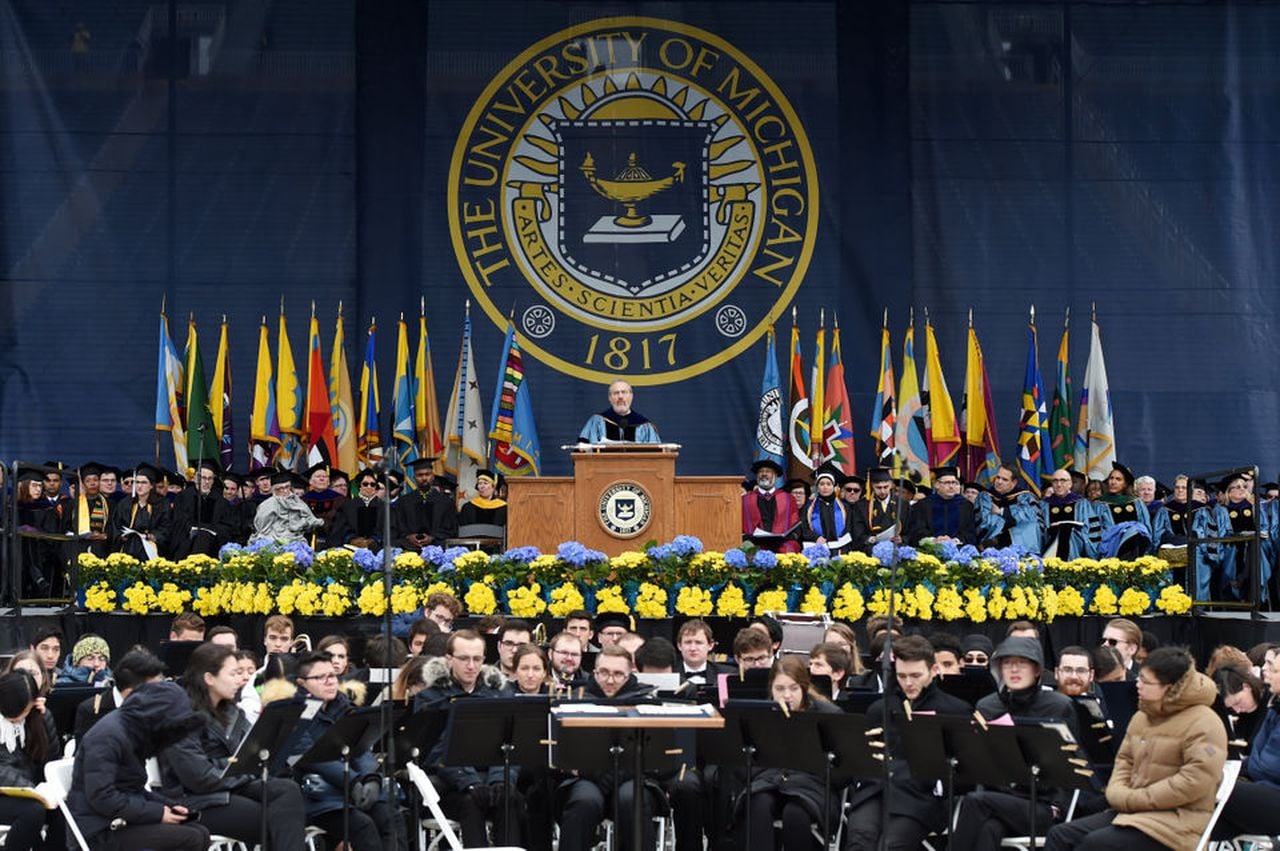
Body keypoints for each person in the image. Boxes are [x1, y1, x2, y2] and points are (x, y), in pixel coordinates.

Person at [1044, 647, 1226, 851]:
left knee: (1096, 844)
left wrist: (1136, 799)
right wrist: (1118, 794)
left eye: (1146, 682)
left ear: (1170, 687)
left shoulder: (1205, 722)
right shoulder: (1142, 716)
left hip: (1175, 824)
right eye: (1140, 678)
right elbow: (1124, 761)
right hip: (1131, 813)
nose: (1137, 684)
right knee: (1060, 835)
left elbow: (1194, 781)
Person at [159, 643, 308, 849]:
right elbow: (199, 778)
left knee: (287, 791)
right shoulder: (180, 719)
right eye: (233, 674)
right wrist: (241, 768)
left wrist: (242, 766)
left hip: (230, 786)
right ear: (209, 678)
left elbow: (251, 753)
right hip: (196, 799)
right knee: (280, 821)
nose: (239, 680)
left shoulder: (231, 711)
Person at [842, 636, 971, 850]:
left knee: (892, 845)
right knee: (860, 840)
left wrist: (938, 782)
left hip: (922, 798)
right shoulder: (880, 708)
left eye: (916, 675)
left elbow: (965, 769)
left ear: (934, 670)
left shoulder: (955, 711)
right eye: (901, 676)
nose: (908, 683)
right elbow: (863, 758)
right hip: (877, 791)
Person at [950, 636, 1077, 849]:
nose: (1014, 669)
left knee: (975, 801)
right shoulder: (988, 706)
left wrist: (1058, 805)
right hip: (999, 799)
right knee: (989, 829)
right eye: (1007, 663)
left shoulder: (1058, 706)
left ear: (1037, 670)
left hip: (1041, 805)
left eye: (1022, 663)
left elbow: (1074, 761)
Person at [280, 650, 406, 851]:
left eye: (332, 675)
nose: (330, 682)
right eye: (320, 677)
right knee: (363, 826)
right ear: (302, 683)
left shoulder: (343, 705)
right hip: (318, 795)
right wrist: (354, 781)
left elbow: (361, 746)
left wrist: (370, 779)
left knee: (391, 817)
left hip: (352, 788)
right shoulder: (293, 713)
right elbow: (312, 757)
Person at [67, 680, 211, 851]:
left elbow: (132, 788)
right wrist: (158, 813)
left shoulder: (130, 730)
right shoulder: (108, 737)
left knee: (200, 833)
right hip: (98, 830)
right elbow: (102, 797)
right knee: (191, 838)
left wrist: (168, 806)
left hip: (115, 820)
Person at [415, 630, 517, 846]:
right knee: (471, 803)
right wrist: (468, 782)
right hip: (451, 785)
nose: (471, 665)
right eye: (463, 659)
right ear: (449, 659)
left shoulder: (500, 693)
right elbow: (437, 750)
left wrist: (501, 778)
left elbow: (510, 743)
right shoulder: (430, 698)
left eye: (477, 659)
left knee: (512, 800)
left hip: (492, 775)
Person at [556, 645, 659, 851]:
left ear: (630, 674)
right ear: (594, 672)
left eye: (618, 674)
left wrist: (610, 778)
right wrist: (600, 777)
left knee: (631, 799)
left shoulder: (646, 701)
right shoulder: (575, 700)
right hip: (586, 778)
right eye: (603, 673)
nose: (610, 681)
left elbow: (653, 755)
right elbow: (567, 753)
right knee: (585, 800)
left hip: (633, 776)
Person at [738, 656, 841, 851]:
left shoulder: (828, 714)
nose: (787, 696)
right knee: (757, 804)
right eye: (780, 689)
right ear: (771, 689)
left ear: (804, 687)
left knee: (795, 814)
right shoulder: (760, 715)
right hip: (769, 782)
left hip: (813, 789)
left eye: (793, 688)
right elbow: (743, 766)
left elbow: (844, 772)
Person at [0, 671, 58, 851]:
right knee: (32, 812)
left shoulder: (35, 717)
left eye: (22, 712)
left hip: (29, 790)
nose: (16, 719)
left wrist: (44, 719)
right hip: (10, 791)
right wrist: (31, 788)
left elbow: (50, 758)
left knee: (63, 808)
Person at [73, 646, 166, 741]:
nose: (157, 694)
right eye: (152, 689)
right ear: (131, 691)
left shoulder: (158, 707)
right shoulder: (91, 710)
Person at [170, 460, 236, 558]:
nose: (206, 482)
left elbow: (227, 527)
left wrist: (209, 530)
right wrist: (193, 529)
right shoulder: (183, 497)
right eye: (203, 478)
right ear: (196, 478)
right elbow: (178, 522)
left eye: (210, 479)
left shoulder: (221, 502)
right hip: (186, 543)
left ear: (213, 481)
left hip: (212, 546)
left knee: (203, 537)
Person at [1042, 468, 1111, 559]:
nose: (1059, 484)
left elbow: (1092, 530)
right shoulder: (1044, 505)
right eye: (1055, 481)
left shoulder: (1081, 503)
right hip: (1049, 549)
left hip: (1077, 549)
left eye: (1063, 481)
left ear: (1070, 484)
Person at [107, 463, 172, 560]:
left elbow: (166, 527)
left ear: (151, 485)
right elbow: (116, 524)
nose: (139, 486)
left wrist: (151, 536)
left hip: (151, 548)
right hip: (128, 547)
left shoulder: (162, 504)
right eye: (137, 482)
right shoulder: (125, 503)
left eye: (144, 482)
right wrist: (121, 535)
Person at [393, 458, 459, 549]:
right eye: (420, 475)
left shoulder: (446, 502)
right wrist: (409, 536)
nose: (424, 478)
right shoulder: (404, 502)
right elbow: (399, 526)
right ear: (414, 478)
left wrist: (433, 538)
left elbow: (451, 529)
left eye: (427, 474)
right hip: (410, 547)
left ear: (433, 476)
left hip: (437, 547)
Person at [977, 463, 1044, 551]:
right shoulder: (985, 497)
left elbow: (1029, 520)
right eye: (998, 477)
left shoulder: (1026, 497)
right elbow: (985, 522)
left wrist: (1002, 512)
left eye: (1005, 479)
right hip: (992, 548)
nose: (999, 482)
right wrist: (1012, 521)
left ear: (1014, 482)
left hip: (1021, 548)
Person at [905, 466, 977, 545]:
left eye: (954, 483)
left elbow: (970, 532)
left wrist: (955, 540)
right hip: (928, 550)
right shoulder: (923, 505)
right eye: (947, 483)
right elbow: (916, 529)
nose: (951, 486)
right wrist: (934, 540)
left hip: (957, 550)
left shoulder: (965, 506)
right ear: (937, 485)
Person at [1096, 462, 1154, 559]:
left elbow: (1146, 527)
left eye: (1118, 479)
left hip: (1136, 551)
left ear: (1125, 483)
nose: (1113, 482)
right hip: (1110, 552)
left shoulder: (1137, 502)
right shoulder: (1100, 503)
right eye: (1111, 478)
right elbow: (1097, 531)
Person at [742, 459, 801, 553]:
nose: (764, 474)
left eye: (768, 471)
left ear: (776, 476)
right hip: (754, 541)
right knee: (747, 549)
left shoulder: (788, 499)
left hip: (781, 542)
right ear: (757, 476)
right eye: (761, 471)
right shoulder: (745, 499)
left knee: (789, 548)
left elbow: (794, 522)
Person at [252, 470, 324, 544]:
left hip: (297, 539)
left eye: (287, 487)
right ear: (273, 490)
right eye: (280, 488)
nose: (285, 491)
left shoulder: (298, 502)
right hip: (274, 540)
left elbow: (311, 520)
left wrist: (303, 523)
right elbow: (263, 529)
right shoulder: (267, 505)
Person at [579, 379, 661, 443]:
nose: (620, 396)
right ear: (609, 398)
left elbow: (657, 456)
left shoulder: (645, 426)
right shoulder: (597, 422)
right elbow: (583, 451)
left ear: (631, 396)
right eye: (616, 393)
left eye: (624, 392)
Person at [798, 463, 855, 553]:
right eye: (822, 484)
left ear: (834, 487)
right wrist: (816, 537)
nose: (825, 487)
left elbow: (849, 527)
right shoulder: (808, 507)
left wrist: (842, 538)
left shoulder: (844, 507)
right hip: (817, 546)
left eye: (828, 484)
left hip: (841, 547)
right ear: (817, 487)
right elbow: (803, 528)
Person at [329, 469, 389, 550]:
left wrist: (374, 540)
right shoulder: (347, 506)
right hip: (351, 548)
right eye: (365, 484)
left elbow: (387, 528)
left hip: (378, 548)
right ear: (359, 486)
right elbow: (341, 528)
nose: (369, 487)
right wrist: (352, 539)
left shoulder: (384, 507)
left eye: (372, 484)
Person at [850, 467, 908, 551]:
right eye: (878, 487)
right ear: (872, 486)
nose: (883, 491)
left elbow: (910, 530)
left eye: (886, 487)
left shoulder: (902, 504)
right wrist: (870, 539)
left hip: (897, 549)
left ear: (891, 484)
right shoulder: (861, 506)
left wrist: (902, 539)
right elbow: (857, 532)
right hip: (870, 551)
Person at [676, 619, 727, 685]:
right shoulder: (669, 675)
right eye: (688, 642)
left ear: (710, 645)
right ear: (679, 645)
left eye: (698, 643)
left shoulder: (725, 675)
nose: (693, 648)